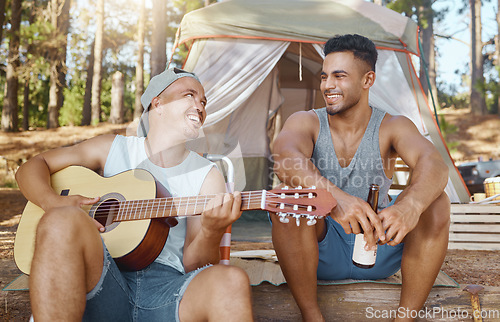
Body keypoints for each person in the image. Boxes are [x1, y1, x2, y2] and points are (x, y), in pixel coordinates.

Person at [16, 67, 253, 321]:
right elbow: (31, 168)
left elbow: (195, 266)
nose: (200, 106)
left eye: (203, 101)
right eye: (189, 95)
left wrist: (211, 231)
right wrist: (53, 203)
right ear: (158, 104)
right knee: (61, 218)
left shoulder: (208, 174)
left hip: (167, 290)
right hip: (101, 278)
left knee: (232, 280)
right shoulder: (111, 149)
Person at [271, 34, 450, 321]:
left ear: (368, 80)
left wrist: (409, 207)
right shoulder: (306, 121)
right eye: (325, 76)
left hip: (377, 247)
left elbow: (435, 164)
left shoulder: (392, 126)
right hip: (318, 253)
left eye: (339, 76)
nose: (328, 85)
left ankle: (405, 317)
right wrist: (336, 200)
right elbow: (284, 158)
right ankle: (311, 315)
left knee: (436, 202)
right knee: (288, 198)